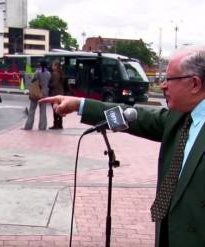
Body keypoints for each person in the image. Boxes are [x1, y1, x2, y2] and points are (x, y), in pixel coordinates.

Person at [40, 47, 205, 247]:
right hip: (169, 234)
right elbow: (134, 118)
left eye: (169, 79)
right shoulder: (180, 116)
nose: (162, 86)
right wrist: (80, 105)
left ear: (194, 83)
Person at [24, 60, 51, 130]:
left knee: (32, 110)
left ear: (40, 65)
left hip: (36, 93)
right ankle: (42, 126)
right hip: (44, 93)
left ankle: (28, 126)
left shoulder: (38, 72)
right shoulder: (48, 73)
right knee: (43, 110)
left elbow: (33, 80)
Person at [48, 60, 65, 129]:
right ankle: (60, 124)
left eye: (53, 65)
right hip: (61, 93)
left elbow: (53, 84)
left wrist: (48, 85)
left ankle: (55, 125)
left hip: (55, 94)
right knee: (60, 109)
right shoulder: (61, 73)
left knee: (55, 110)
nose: (52, 67)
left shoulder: (55, 74)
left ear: (56, 66)